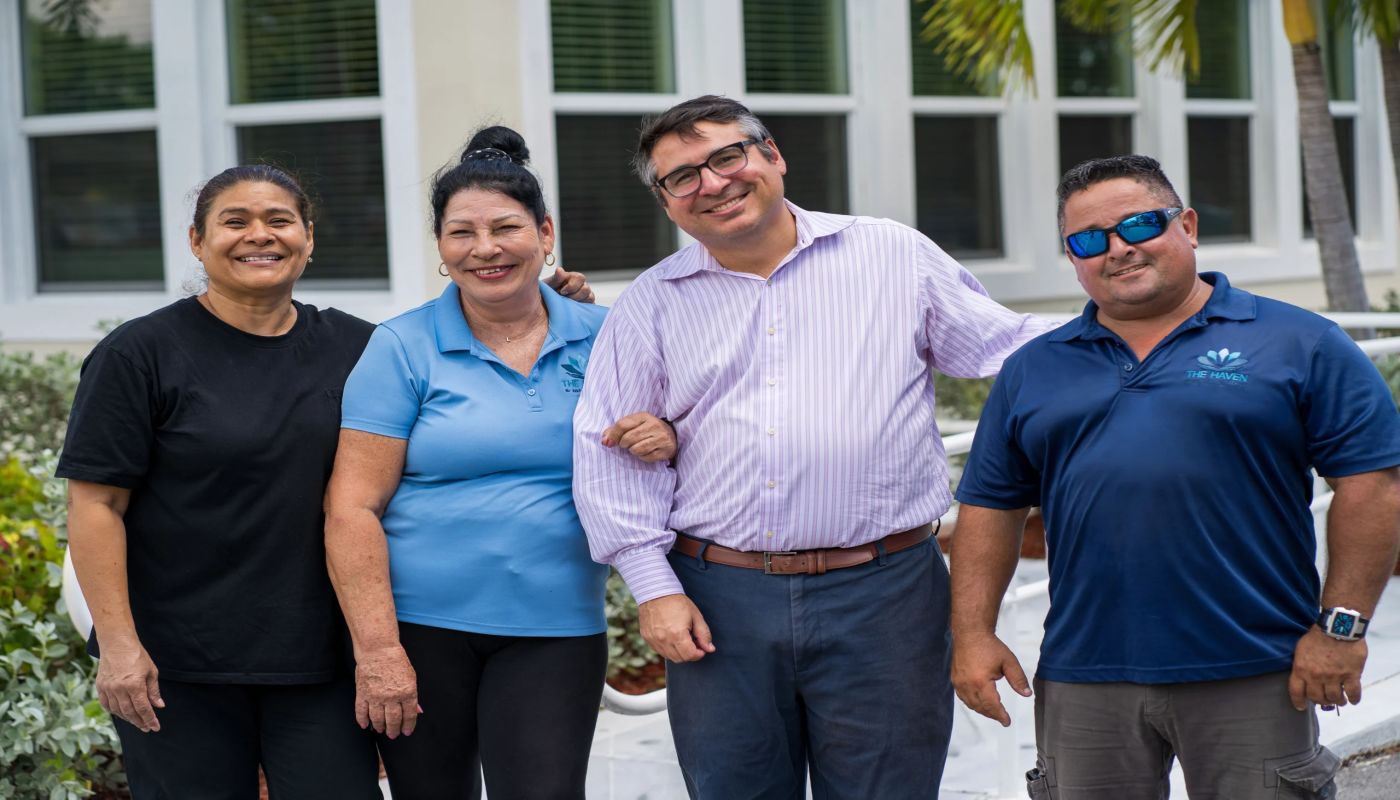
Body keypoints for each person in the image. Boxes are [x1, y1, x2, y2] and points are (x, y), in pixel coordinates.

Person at [57, 163, 596, 799]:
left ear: (308, 238)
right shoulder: (139, 354)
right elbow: (95, 505)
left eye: (279, 221)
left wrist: (546, 303)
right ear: (197, 241)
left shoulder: (357, 345)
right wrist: (119, 646)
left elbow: (461, 368)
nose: (260, 235)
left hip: (321, 659)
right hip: (180, 661)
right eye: (235, 222)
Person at [571, 95, 1051, 799]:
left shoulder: (892, 254)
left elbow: (1007, 346)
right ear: (666, 201)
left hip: (886, 595)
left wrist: (1144, 323)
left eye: (727, 156)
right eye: (683, 177)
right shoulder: (653, 301)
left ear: (772, 156)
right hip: (720, 600)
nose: (713, 183)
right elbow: (608, 449)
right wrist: (654, 588)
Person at [950, 154, 1400, 799]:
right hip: (1085, 673)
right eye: (1088, 240)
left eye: (1139, 225)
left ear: (1186, 226)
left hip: (1255, 667)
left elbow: (1372, 487)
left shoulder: (1301, 342)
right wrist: (972, 634)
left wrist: (1341, 629)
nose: (1118, 249)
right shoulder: (1034, 367)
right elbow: (990, 506)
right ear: (1072, 258)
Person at [321, 125, 676, 800]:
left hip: (557, 627)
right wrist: (378, 649)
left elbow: (679, 439)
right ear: (440, 247)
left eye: (506, 228)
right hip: (418, 632)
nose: (484, 249)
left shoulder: (608, 336)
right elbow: (351, 507)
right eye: (461, 232)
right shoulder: (401, 346)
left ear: (545, 234)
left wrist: (667, 433)